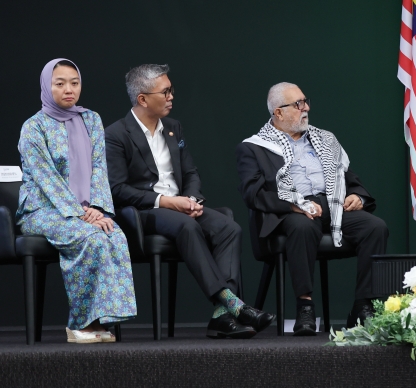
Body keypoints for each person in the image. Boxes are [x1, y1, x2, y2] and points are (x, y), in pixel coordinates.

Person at [106, 63, 273, 339]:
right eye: (166, 91)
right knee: (187, 226)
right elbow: (118, 189)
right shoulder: (116, 135)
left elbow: (190, 172)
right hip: (145, 212)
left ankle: (221, 315)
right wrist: (169, 202)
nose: (172, 96)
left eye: (172, 90)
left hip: (182, 206)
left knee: (229, 227)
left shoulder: (173, 127)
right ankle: (231, 303)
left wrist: (192, 199)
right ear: (143, 99)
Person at [237, 82, 388, 335]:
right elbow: (253, 194)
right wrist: (295, 205)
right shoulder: (254, 147)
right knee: (302, 226)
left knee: (375, 227)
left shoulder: (325, 139)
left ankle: (363, 306)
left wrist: (358, 197)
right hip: (291, 212)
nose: (305, 108)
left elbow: (351, 180)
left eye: (305, 101)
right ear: (278, 113)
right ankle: (304, 307)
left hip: (332, 206)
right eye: (297, 104)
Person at [17, 59, 136, 343]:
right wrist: (79, 213)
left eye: (74, 82)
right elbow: (47, 179)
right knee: (90, 238)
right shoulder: (33, 127)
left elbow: (99, 169)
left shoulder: (91, 119)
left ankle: (100, 321)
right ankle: (79, 324)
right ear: (47, 86)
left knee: (114, 235)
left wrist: (96, 209)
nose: (68, 89)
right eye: (60, 84)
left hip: (85, 209)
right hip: (42, 210)